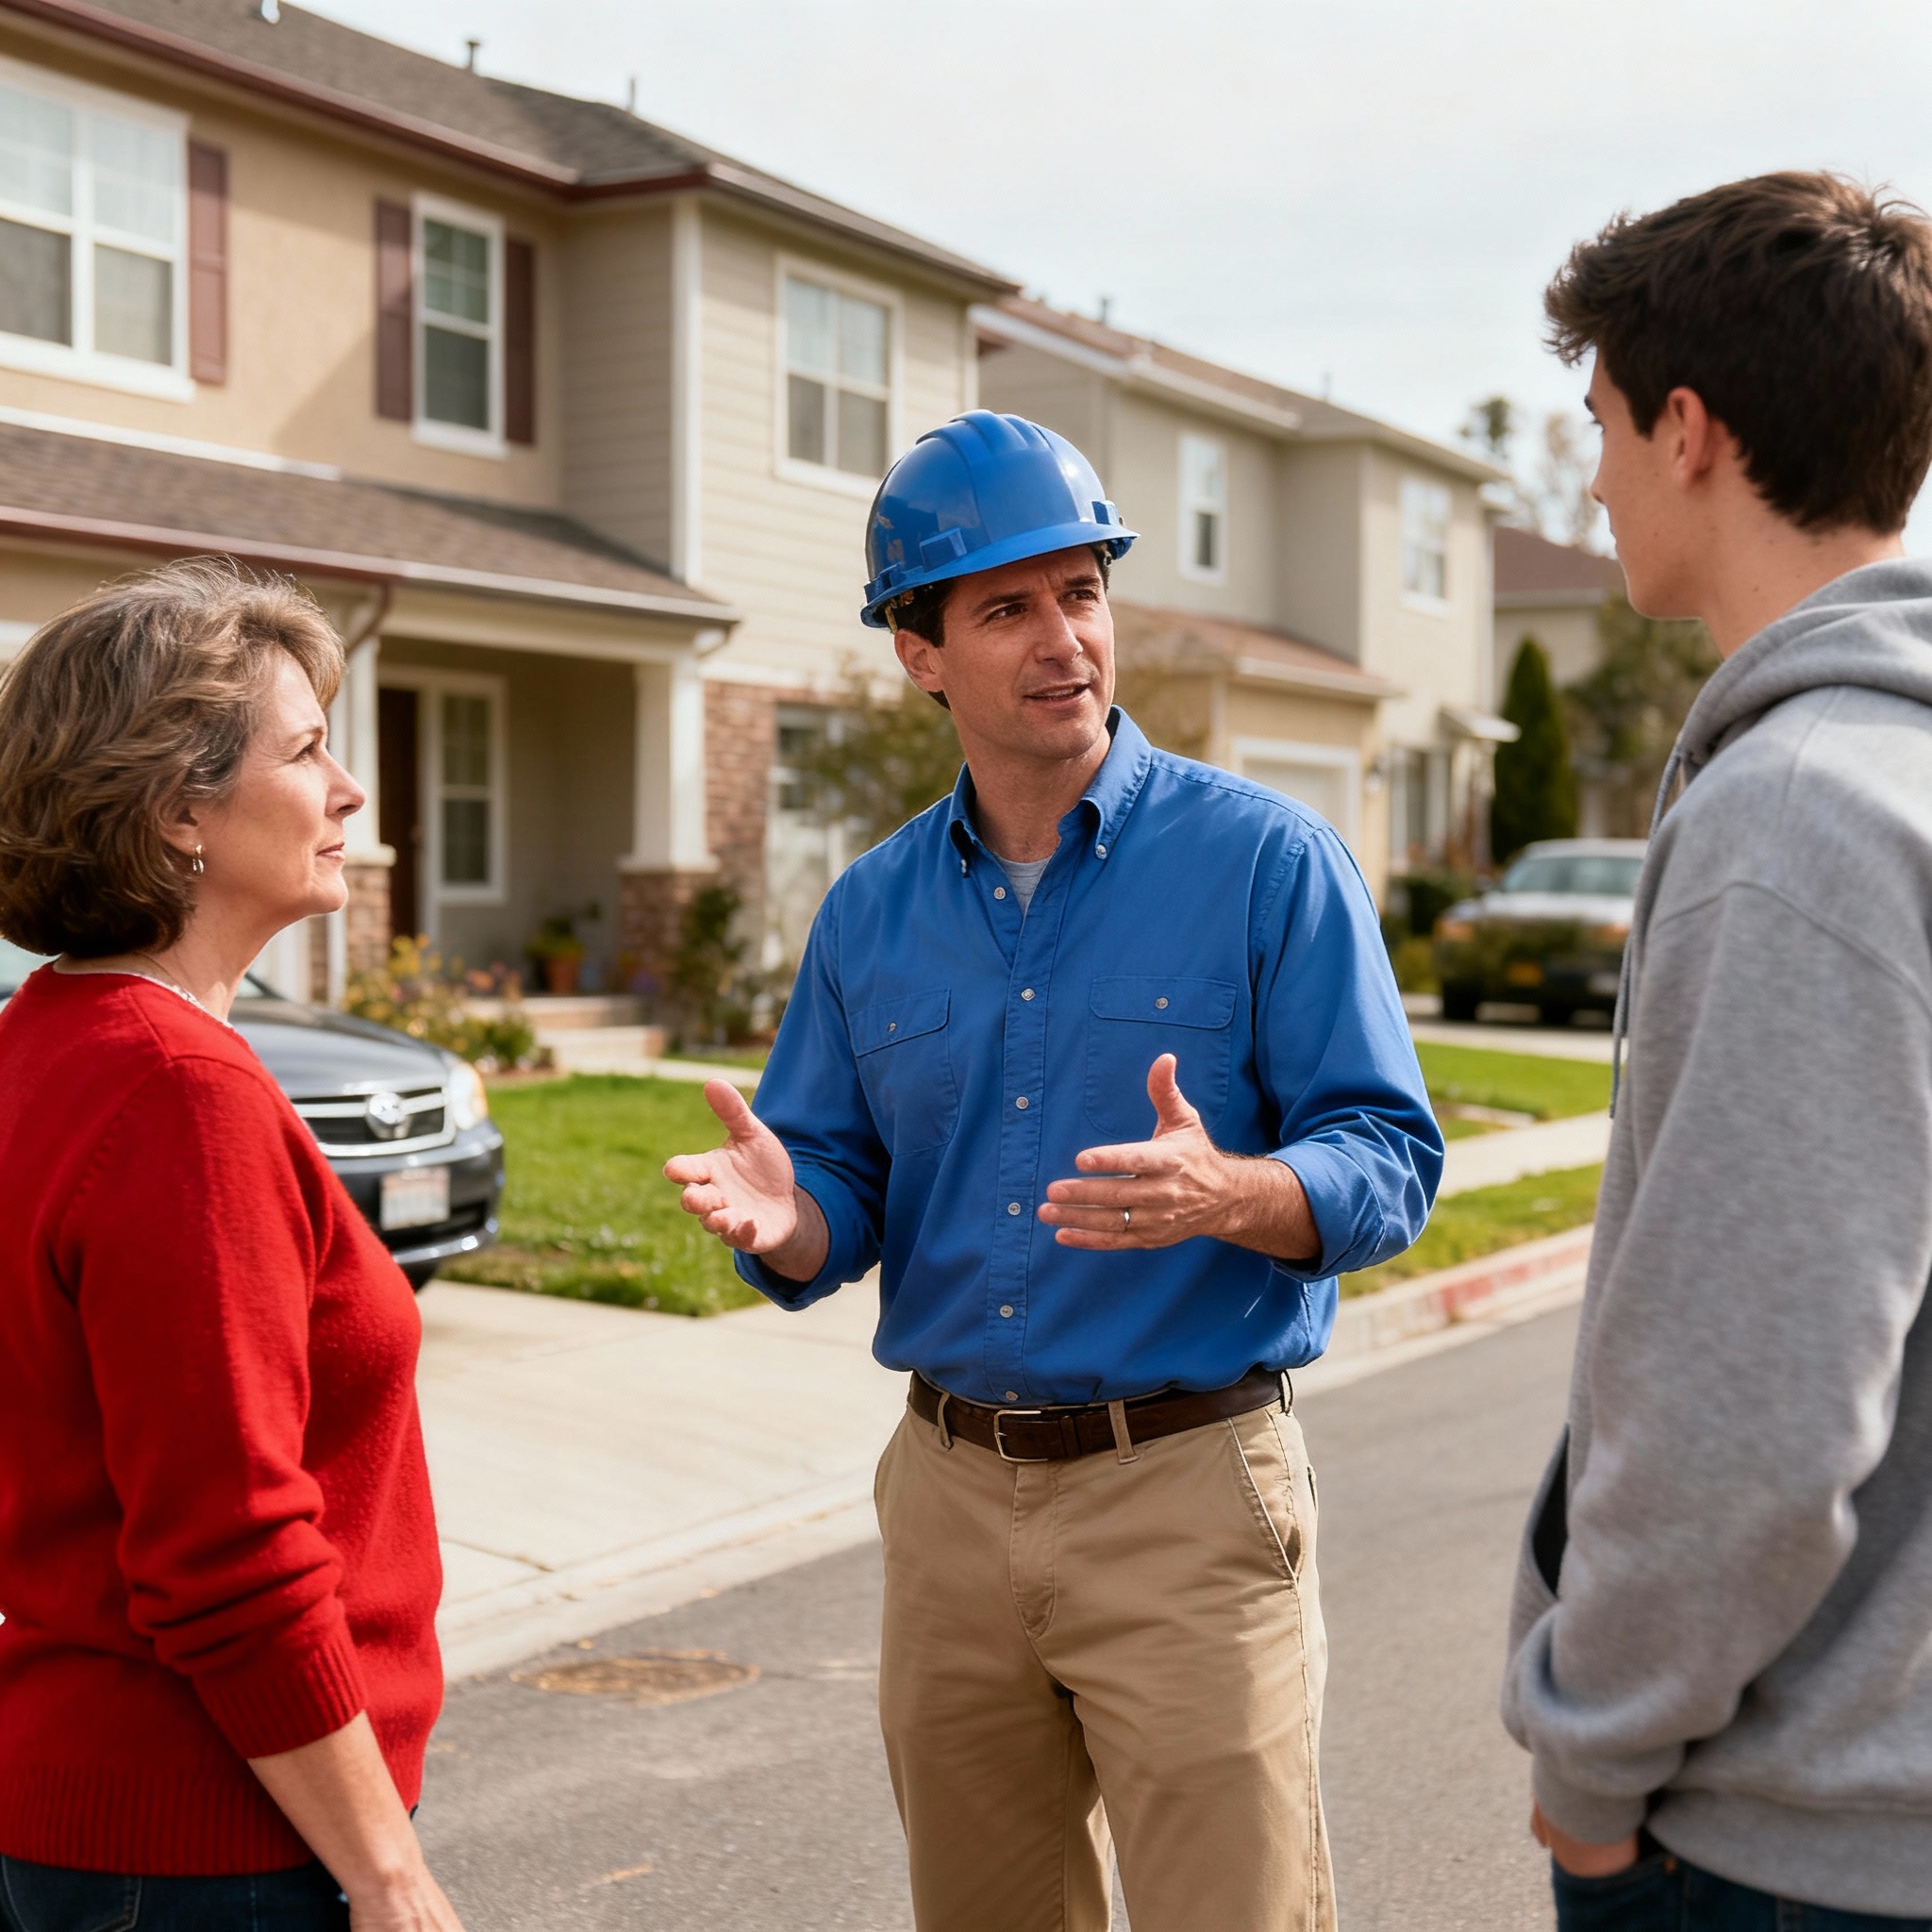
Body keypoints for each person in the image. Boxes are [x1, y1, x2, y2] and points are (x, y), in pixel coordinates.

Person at [665, 409, 1441, 1932]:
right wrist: (794, 1220)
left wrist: (1239, 1193)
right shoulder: (871, 913)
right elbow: (835, 1191)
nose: (1062, 637)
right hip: (948, 1507)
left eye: (1082, 591)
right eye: (1007, 605)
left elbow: (1390, 1156)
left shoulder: (1268, 863)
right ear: (919, 650)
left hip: (1190, 1499)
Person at [1500, 174, 1932, 1928]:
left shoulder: (1800, 826)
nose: (1592, 474)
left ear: (1689, 430)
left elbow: (1754, 1407)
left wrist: (1591, 1765)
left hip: (1780, 1845)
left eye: (1600, 422)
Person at [0, 562, 462, 1931]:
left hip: (93, 1819)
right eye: (309, 749)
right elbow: (230, 1553)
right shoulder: (175, 1093)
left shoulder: (48, 1042)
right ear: (176, 809)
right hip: (210, 1842)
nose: (350, 791)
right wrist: (387, 1874)